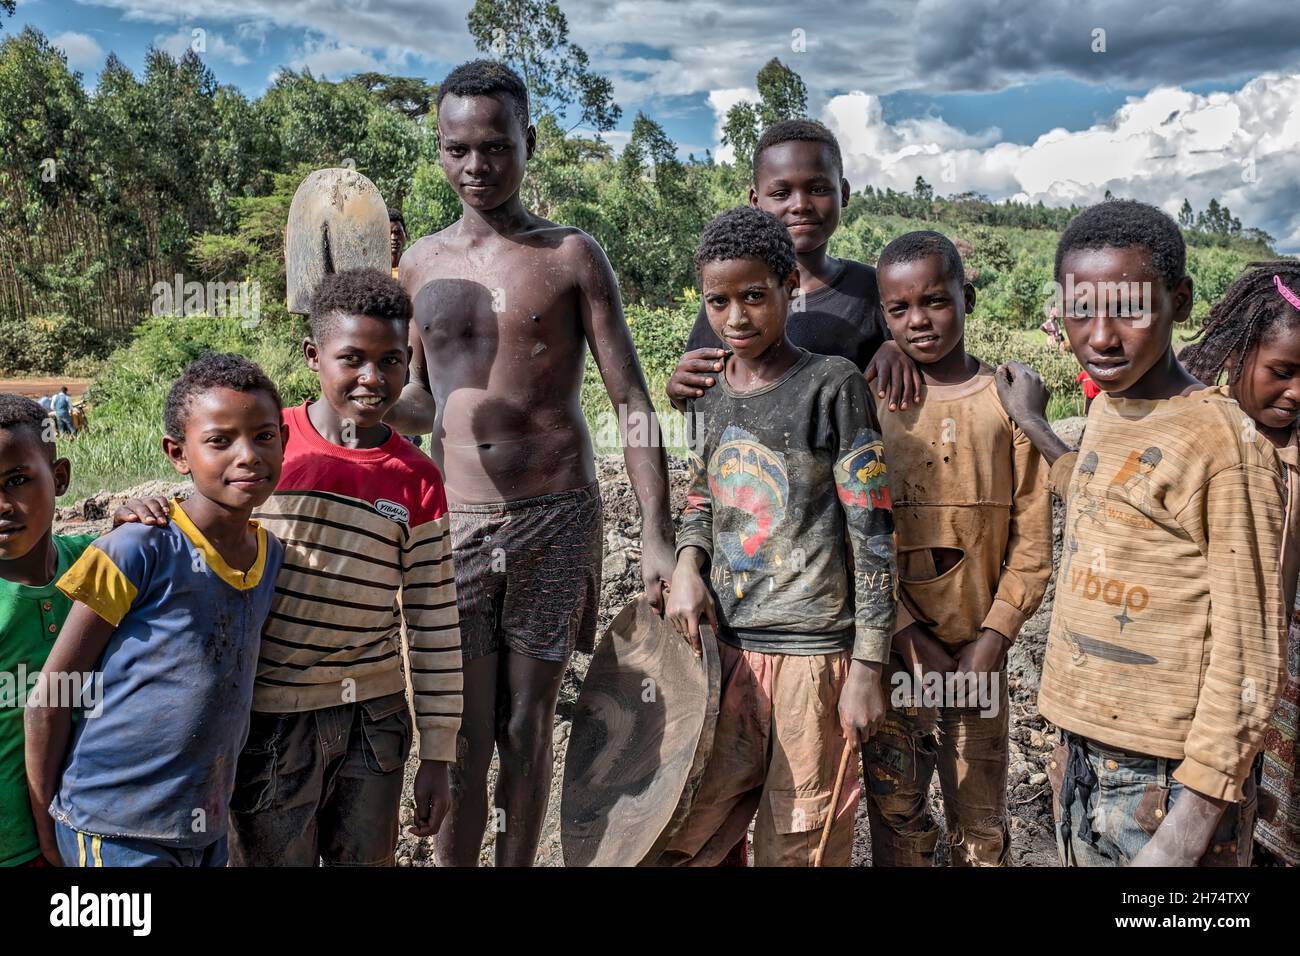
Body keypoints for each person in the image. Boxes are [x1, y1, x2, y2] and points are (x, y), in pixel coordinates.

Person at [384, 60, 676, 867]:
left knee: (526, 724)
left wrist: (657, 534)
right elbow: (417, 403)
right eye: (458, 149)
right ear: (439, 150)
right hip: (458, 523)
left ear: (528, 143)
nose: (476, 167)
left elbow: (632, 404)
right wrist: (361, 400)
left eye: (495, 146)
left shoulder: (572, 256)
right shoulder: (417, 268)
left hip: (557, 515)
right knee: (462, 730)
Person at [117, 270, 463, 867]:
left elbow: (433, 623)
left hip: (374, 721)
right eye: (352, 358)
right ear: (313, 356)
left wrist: (438, 753)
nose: (372, 378)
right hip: (269, 719)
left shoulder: (418, 481)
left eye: (392, 361)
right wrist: (145, 511)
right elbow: (205, 516)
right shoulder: (269, 447)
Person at [995, 200, 1287, 866]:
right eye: (1079, 310)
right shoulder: (1114, 410)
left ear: (1179, 301)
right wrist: (1032, 420)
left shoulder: (1223, 445)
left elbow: (1250, 648)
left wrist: (1194, 820)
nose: (1099, 337)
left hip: (1166, 780)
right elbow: (1105, 496)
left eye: (1128, 309)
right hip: (1088, 757)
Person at [659, 205, 896, 867]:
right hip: (725, 651)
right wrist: (686, 565)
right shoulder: (709, 394)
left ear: (790, 284)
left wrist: (867, 666)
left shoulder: (832, 386)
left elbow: (873, 531)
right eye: (718, 301)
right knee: (694, 827)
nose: (736, 318)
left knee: (802, 836)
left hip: (814, 655)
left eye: (754, 296)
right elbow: (702, 497)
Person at [25, 355, 286, 866]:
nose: (248, 455)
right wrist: (46, 822)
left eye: (265, 436)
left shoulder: (270, 555)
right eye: (220, 440)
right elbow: (50, 697)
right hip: (113, 825)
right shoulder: (137, 548)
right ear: (177, 453)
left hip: (201, 826)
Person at [864, 231, 1052, 866]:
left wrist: (994, 639)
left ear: (967, 298)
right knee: (897, 816)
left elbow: (1032, 538)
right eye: (899, 310)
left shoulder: (1007, 403)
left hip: (980, 660)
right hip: (893, 657)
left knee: (980, 822)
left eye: (937, 302)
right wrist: (905, 636)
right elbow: (853, 536)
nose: (919, 321)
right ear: (883, 316)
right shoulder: (871, 400)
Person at [666, 118, 921, 415]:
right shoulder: (730, 296)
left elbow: (927, 355)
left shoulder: (871, 288)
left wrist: (899, 349)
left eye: (818, 189)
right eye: (781, 193)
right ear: (755, 201)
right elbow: (705, 389)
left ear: (844, 193)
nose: (800, 204)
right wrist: (679, 390)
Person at [1180, 261, 1300, 866]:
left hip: (1270, 681)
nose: (1298, 391)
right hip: (1195, 686)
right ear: (1238, 351)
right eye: (1283, 371)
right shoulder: (1200, 434)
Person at [0, 395, 92, 866]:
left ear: (59, 479)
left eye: (16, 481)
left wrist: (141, 518)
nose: (2, 506)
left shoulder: (99, 562)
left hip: (85, 825)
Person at [389, 208, 407, 280]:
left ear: (406, 235)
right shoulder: (377, 269)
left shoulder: (413, 267)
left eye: (397, 232)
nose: (393, 238)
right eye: (389, 233)